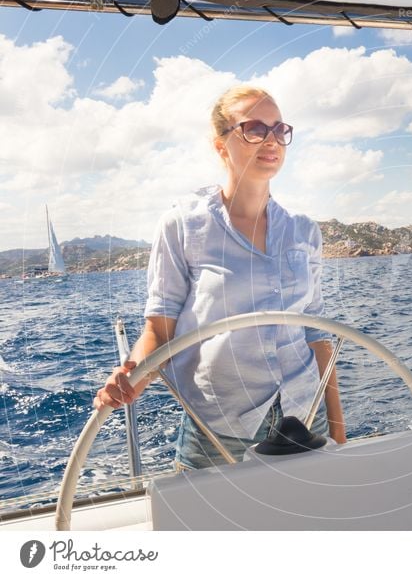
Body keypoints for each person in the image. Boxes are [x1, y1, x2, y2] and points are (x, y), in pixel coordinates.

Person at [94, 85, 346, 470]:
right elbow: (160, 332)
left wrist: (340, 437)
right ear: (220, 145)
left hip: (305, 413)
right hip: (221, 423)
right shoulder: (183, 225)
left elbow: (317, 336)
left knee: (310, 526)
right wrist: (130, 380)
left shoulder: (304, 231)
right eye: (255, 128)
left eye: (279, 129)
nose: (272, 140)